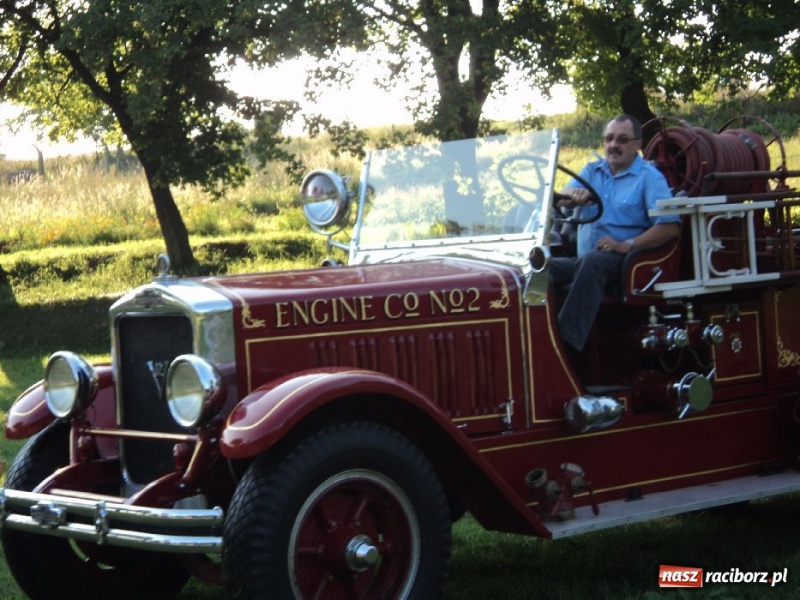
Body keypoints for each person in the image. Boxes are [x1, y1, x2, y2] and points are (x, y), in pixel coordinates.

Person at [550, 114, 681, 353]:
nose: (614, 145)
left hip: (625, 261)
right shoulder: (593, 170)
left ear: (638, 145)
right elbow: (565, 194)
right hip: (585, 260)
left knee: (591, 263)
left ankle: (562, 348)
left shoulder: (649, 178)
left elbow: (669, 227)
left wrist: (627, 245)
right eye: (609, 139)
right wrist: (572, 197)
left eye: (622, 139)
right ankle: (531, 336)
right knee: (537, 269)